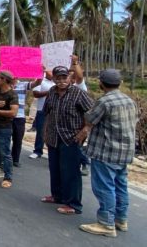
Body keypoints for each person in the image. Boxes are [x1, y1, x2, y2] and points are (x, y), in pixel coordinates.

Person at [77, 69, 138, 238]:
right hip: (124, 152)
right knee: (121, 185)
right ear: (120, 83)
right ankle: (121, 219)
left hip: (106, 151)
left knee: (104, 187)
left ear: (101, 84)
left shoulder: (104, 101)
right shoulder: (129, 100)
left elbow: (90, 119)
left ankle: (106, 223)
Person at [41, 66, 94, 215]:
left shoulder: (78, 94)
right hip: (53, 136)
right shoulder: (52, 92)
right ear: (54, 79)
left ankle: (73, 204)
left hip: (71, 138)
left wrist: (85, 129)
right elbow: (47, 113)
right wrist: (44, 132)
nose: (62, 81)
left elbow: (91, 112)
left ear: (69, 78)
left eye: (64, 78)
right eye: (58, 78)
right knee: (55, 168)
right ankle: (57, 196)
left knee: (71, 172)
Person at [11, 77, 41, 167]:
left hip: (19, 117)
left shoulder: (23, 84)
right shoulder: (5, 84)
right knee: (4, 139)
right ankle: (3, 159)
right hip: (7, 116)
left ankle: (15, 159)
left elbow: (37, 83)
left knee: (18, 139)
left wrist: (40, 73)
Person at [30, 69, 54, 159]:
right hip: (42, 110)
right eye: (50, 71)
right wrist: (50, 92)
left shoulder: (57, 80)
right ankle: (37, 151)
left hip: (55, 111)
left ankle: (52, 153)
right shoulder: (40, 79)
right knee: (41, 131)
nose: (52, 73)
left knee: (53, 132)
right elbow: (35, 94)